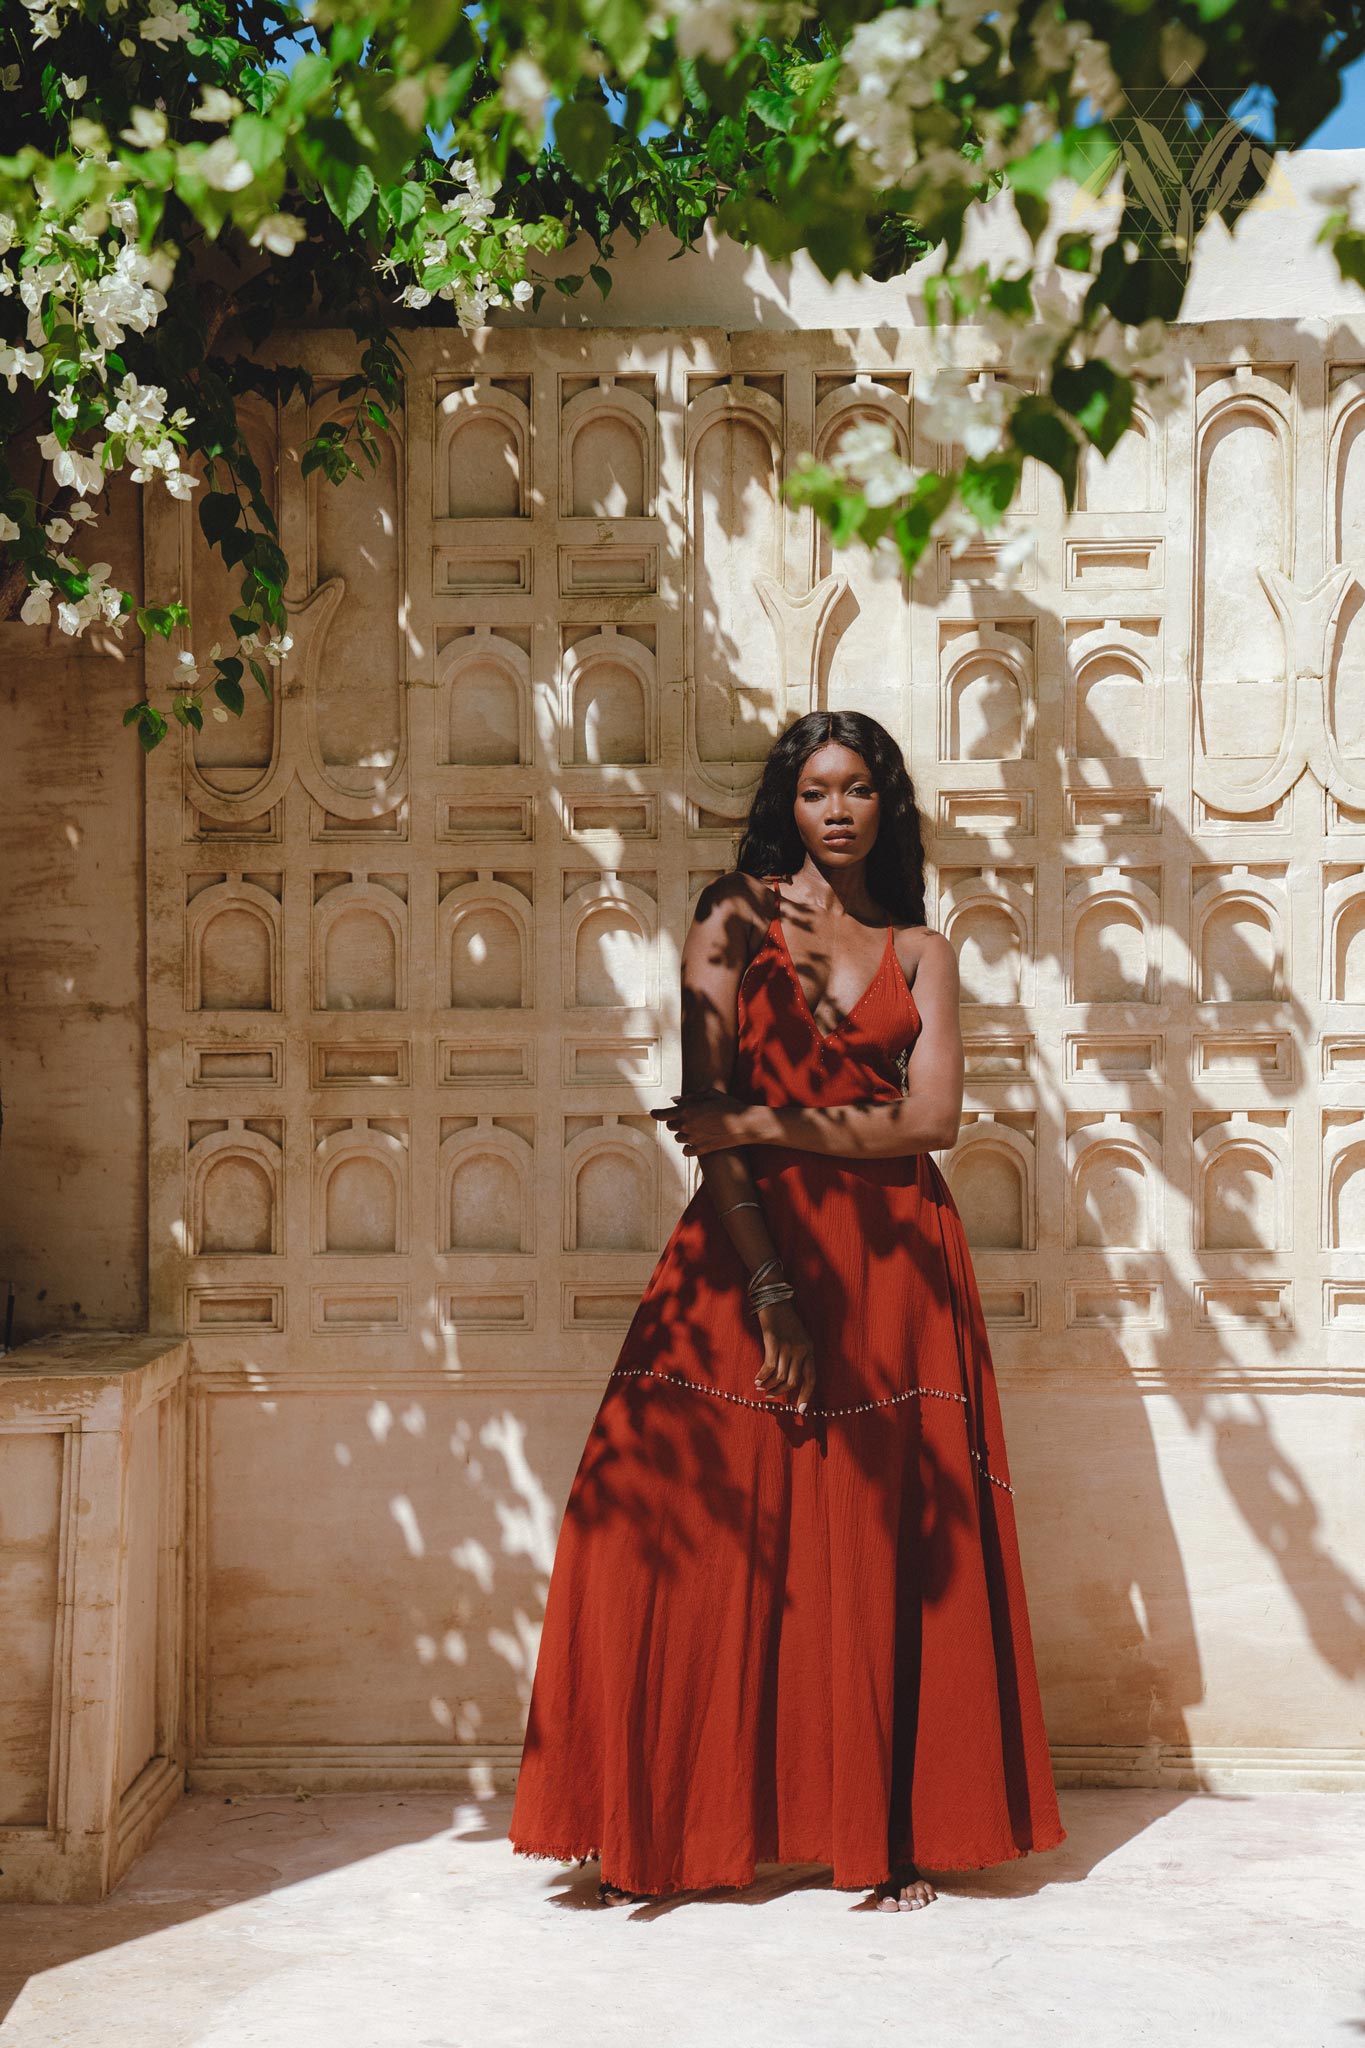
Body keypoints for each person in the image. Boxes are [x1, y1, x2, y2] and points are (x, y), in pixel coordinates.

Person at [509, 709, 1066, 1911]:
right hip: (747, 1246)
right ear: (788, 801)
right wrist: (768, 1286)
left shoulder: (922, 949)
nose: (837, 809)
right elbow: (701, 1109)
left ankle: (885, 1831)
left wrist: (762, 1122)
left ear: (886, 805)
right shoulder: (732, 916)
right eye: (816, 788)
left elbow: (927, 1125)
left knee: (871, 1546)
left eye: (859, 787)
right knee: (648, 1522)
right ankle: (641, 1818)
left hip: (896, 1265)